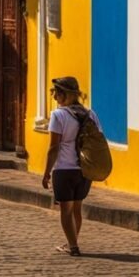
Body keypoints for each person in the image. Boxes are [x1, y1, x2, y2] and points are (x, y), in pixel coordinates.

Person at [42, 76, 98, 256]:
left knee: (65, 210)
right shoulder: (90, 114)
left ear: (64, 94)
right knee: (77, 208)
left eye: (55, 93)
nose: (54, 97)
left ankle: (73, 247)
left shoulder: (58, 115)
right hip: (84, 169)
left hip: (64, 169)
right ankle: (71, 242)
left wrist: (46, 173)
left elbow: (53, 147)